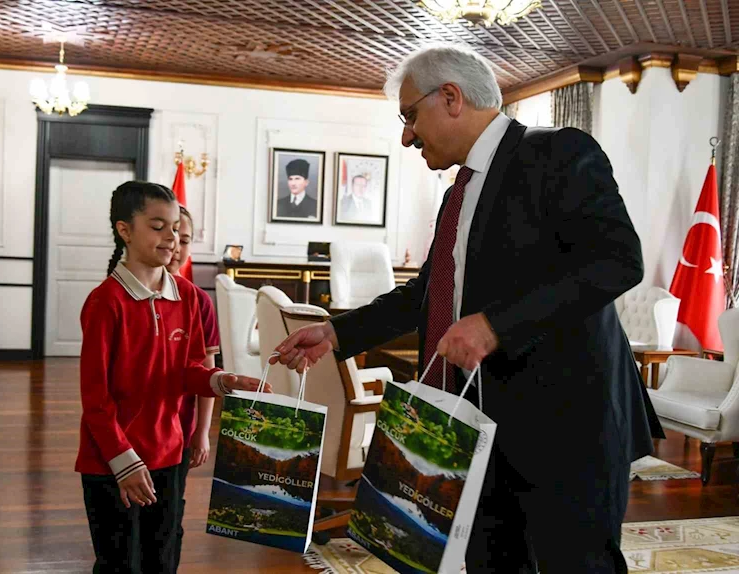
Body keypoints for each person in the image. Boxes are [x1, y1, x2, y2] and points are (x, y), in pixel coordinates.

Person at [273, 43, 663, 574]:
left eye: (410, 116)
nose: (406, 135)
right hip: (476, 425)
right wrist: (337, 336)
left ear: (451, 97)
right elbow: (428, 293)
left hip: (567, 430)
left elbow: (618, 263)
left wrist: (497, 325)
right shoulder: (458, 191)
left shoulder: (561, 153)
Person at [75, 181, 269, 574]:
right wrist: (124, 463)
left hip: (167, 456)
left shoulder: (188, 297)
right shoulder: (105, 302)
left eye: (176, 227)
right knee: (117, 564)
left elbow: (186, 372)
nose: (170, 238)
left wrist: (221, 381)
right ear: (124, 230)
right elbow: (95, 400)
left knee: (161, 559)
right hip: (112, 463)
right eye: (157, 226)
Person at [165, 205, 220, 571]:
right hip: (132, 434)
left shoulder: (199, 301)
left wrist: (201, 432)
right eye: (170, 236)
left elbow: (207, 371)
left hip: (179, 432)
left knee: (170, 516)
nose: (176, 247)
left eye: (184, 240)